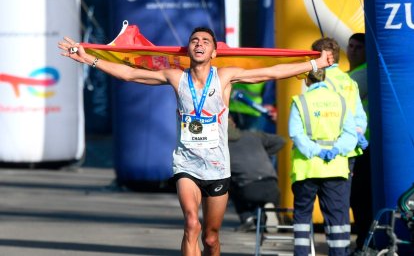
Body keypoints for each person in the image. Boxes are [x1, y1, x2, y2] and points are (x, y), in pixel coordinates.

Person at [59, 27, 334, 256]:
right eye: (194, 41)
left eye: (205, 41)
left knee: (211, 238)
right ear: (188, 50)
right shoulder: (175, 77)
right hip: (186, 163)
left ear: (214, 52)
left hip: (217, 167)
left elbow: (271, 73)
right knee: (191, 223)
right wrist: (88, 59)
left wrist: (315, 64)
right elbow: (129, 74)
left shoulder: (225, 76)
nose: (199, 44)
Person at [288, 68, 358, 256]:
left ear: (307, 80)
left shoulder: (300, 102)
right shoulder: (341, 102)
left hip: (307, 168)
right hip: (335, 168)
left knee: (303, 216)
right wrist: (336, 149)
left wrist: (315, 151)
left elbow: (296, 133)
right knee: (337, 219)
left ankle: (302, 253)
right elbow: (351, 136)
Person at [227, 117, 286, 232]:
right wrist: (266, 152)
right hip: (272, 186)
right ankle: (270, 210)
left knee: (230, 184)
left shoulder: (221, 146)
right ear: (234, 125)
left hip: (249, 189)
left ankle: (248, 219)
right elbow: (281, 141)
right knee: (261, 193)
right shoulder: (253, 135)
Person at [347, 33, 373, 254]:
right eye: (351, 46)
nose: (352, 50)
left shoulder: (362, 74)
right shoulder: (353, 74)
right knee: (358, 197)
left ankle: (364, 242)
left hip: (365, 145)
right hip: (358, 145)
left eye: (358, 47)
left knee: (361, 197)